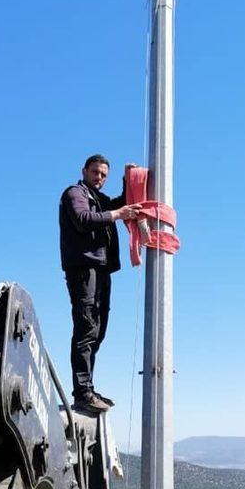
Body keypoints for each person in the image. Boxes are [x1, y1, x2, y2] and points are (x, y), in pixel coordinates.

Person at [59, 154, 141, 414]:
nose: (99, 178)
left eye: (104, 175)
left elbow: (119, 203)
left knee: (98, 330)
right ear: (84, 170)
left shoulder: (98, 198)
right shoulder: (75, 193)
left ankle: (88, 389)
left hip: (101, 269)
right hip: (83, 269)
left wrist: (128, 181)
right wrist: (117, 214)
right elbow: (83, 219)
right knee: (86, 328)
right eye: (96, 172)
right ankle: (82, 393)